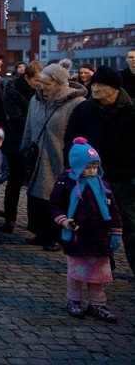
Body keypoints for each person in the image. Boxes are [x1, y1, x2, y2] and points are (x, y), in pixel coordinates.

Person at [64, 65, 135, 277]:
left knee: (130, 226)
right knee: (97, 224)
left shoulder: (131, 110)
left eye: (101, 85)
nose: (95, 89)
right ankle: (104, 266)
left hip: (124, 178)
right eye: (94, 84)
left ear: (115, 89)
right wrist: (73, 171)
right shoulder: (84, 109)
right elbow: (71, 142)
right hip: (92, 177)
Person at [49, 137, 122, 323]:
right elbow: (55, 204)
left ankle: (97, 303)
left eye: (95, 167)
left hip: (99, 237)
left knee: (98, 273)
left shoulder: (102, 186)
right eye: (88, 167)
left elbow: (113, 210)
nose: (92, 171)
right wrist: (65, 222)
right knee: (77, 271)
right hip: (77, 236)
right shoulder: (67, 182)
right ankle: (73, 300)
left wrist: (115, 231)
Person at [21, 63, 86, 251]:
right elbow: (29, 125)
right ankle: (40, 232)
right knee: (36, 196)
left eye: (48, 84)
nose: (43, 87)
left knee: (56, 197)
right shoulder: (36, 100)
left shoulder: (76, 103)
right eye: (41, 83)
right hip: (37, 155)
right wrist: (24, 148)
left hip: (59, 156)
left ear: (59, 84)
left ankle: (55, 236)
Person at [1, 60, 43, 233]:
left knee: (36, 183)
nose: (39, 85)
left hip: (36, 141)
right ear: (27, 77)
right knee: (15, 181)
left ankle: (35, 222)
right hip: (17, 141)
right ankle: (9, 218)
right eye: (36, 81)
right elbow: (15, 116)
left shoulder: (42, 91)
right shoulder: (13, 90)